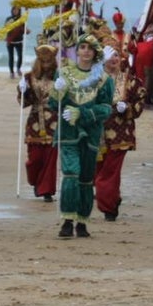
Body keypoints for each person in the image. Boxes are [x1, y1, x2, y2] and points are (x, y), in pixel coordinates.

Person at [50, 34, 114, 238]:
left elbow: (106, 108)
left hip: (91, 134)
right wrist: (57, 91)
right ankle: (67, 221)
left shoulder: (104, 79)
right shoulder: (63, 73)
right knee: (71, 173)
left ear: (95, 53)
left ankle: (82, 221)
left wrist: (83, 113)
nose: (86, 51)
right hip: (68, 132)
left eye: (90, 48)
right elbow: (53, 105)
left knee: (86, 178)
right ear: (76, 50)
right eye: (82, 47)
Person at [94, 39, 145, 221]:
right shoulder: (94, 79)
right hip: (98, 132)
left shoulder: (130, 80)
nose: (114, 59)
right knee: (99, 170)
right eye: (110, 55)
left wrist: (128, 108)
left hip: (121, 133)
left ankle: (107, 206)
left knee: (110, 171)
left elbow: (140, 100)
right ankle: (112, 199)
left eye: (116, 54)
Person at [18, 44, 59, 202]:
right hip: (35, 120)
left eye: (49, 60)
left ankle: (46, 190)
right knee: (35, 158)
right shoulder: (29, 77)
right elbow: (24, 103)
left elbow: (66, 100)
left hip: (54, 121)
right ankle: (36, 181)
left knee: (50, 158)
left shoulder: (59, 77)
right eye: (43, 60)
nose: (46, 64)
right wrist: (22, 91)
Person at [4, 4, 30, 79]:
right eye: (14, 10)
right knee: (11, 57)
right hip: (10, 41)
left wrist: (26, 30)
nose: (15, 11)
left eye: (17, 10)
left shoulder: (21, 19)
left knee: (20, 56)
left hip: (19, 41)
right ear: (12, 11)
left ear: (19, 11)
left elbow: (24, 28)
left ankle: (18, 69)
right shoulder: (9, 19)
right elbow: (5, 28)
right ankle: (11, 72)